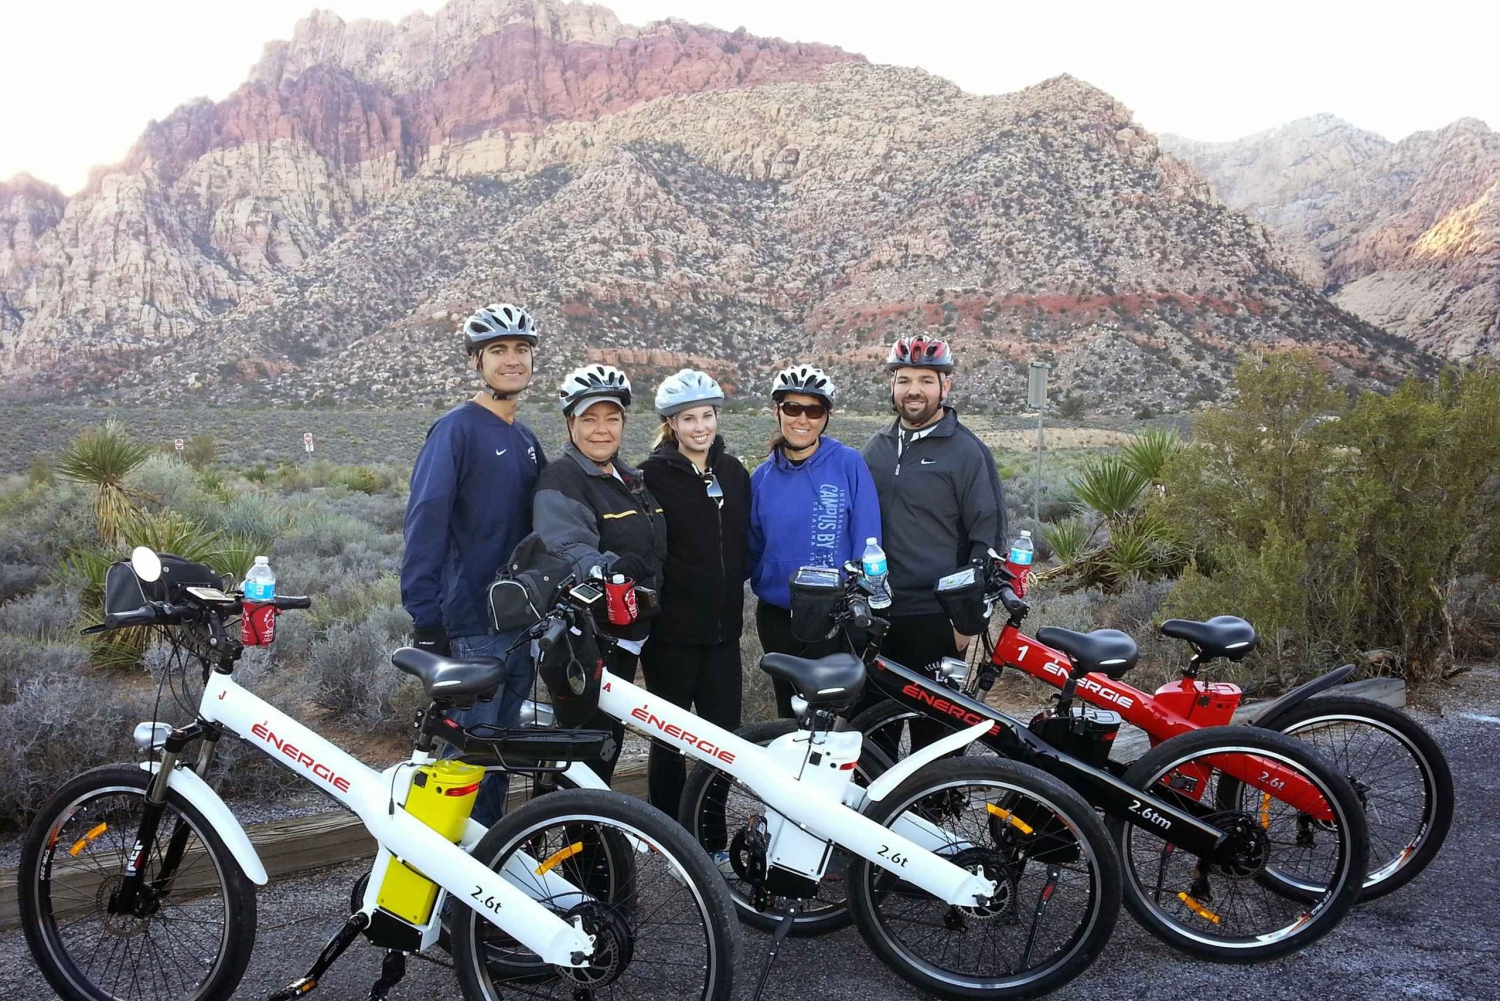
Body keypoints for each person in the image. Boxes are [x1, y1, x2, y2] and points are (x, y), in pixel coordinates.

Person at [400, 302, 545, 826]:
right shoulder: (457, 430)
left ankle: (484, 878)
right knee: (463, 765)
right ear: (476, 361)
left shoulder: (526, 439)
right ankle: (436, 885)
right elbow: (426, 521)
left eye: (521, 350)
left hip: (519, 623)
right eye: (499, 351)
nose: (513, 360)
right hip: (472, 624)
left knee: (496, 759)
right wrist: (425, 615)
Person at [532, 363, 667, 783]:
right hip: (590, 638)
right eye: (589, 419)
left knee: (605, 747)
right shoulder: (563, 478)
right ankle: (571, 843)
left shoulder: (628, 476)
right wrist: (609, 569)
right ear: (570, 423)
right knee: (585, 755)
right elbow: (565, 547)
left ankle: (591, 842)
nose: (601, 429)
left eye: (611, 418)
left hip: (628, 632)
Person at [639, 370, 752, 817]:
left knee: (724, 741)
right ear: (671, 424)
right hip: (670, 637)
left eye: (707, 416)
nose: (700, 427)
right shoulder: (649, 477)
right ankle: (668, 836)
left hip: (724, 633)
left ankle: (712, 832)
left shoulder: (733, 471)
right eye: (689, 419)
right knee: (670, 742)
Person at [862, 336, 1006, 681]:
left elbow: (988, 539)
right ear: (892, 385)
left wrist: (965, 622)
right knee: (874, 730)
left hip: (936, 616)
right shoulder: (875, 448)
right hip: (877, 613)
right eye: (905, 380)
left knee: (934, 734)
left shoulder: (968, 451)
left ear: (945, 386)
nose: (914, 390)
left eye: (926, 380)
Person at [747, 364, 883, 718]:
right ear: (777, 411)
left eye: (814, 410)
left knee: (837, 719)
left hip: (837, 618)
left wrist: (864, 595)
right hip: (779, 618)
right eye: (792, 408)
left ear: (826, 417)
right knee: (789, 715)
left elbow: (868, 538)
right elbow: (751, 547)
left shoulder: (848, 464)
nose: (802, 419)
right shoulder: (761, 477)